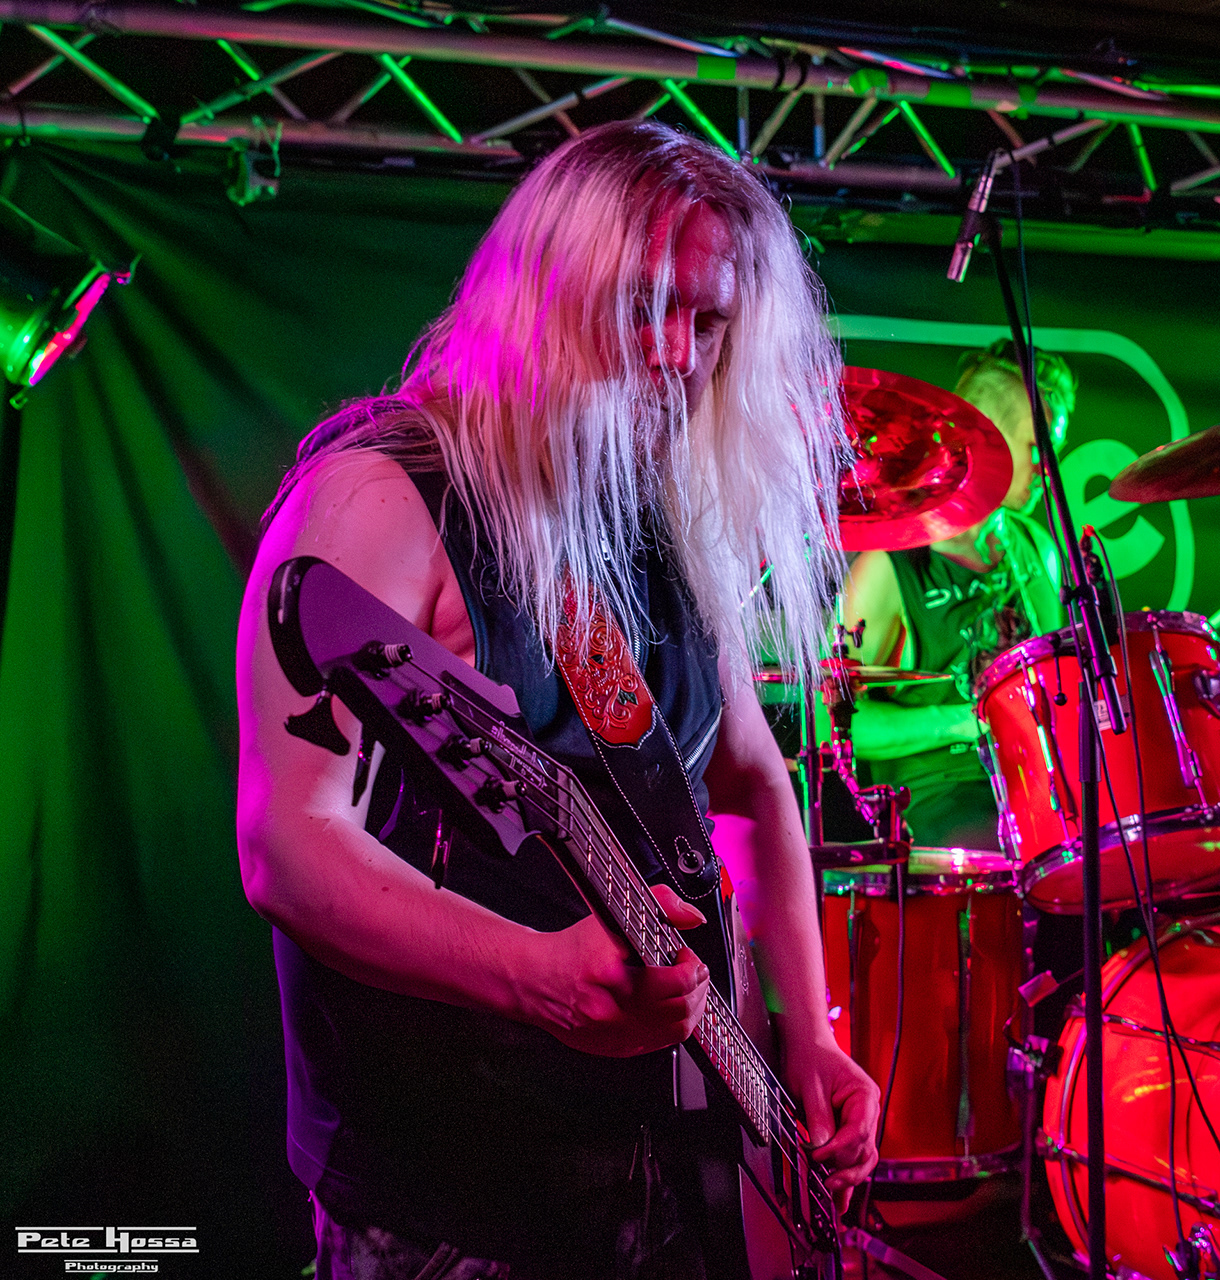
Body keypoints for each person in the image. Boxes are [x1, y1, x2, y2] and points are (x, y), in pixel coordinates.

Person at [235, 122, 879, 1279]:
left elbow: (750, 777)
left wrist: (810, 1030)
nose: (677, 354)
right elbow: (287, 842)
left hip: (670, 1174)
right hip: (452, 1196)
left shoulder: (653, 517)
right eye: (643, 307)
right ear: (545, 292)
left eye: (709, 322)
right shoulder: (383, 495)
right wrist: (533, 973)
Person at [837, 342, 1076, 850]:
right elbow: (830, 729)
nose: (1048, 467)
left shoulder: (1037, 548)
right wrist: (965, 721)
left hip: (1038, 787)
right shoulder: (888, 569)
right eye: (1036, 448)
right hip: (939, 804)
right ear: (989, 439)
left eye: (1053, 448)